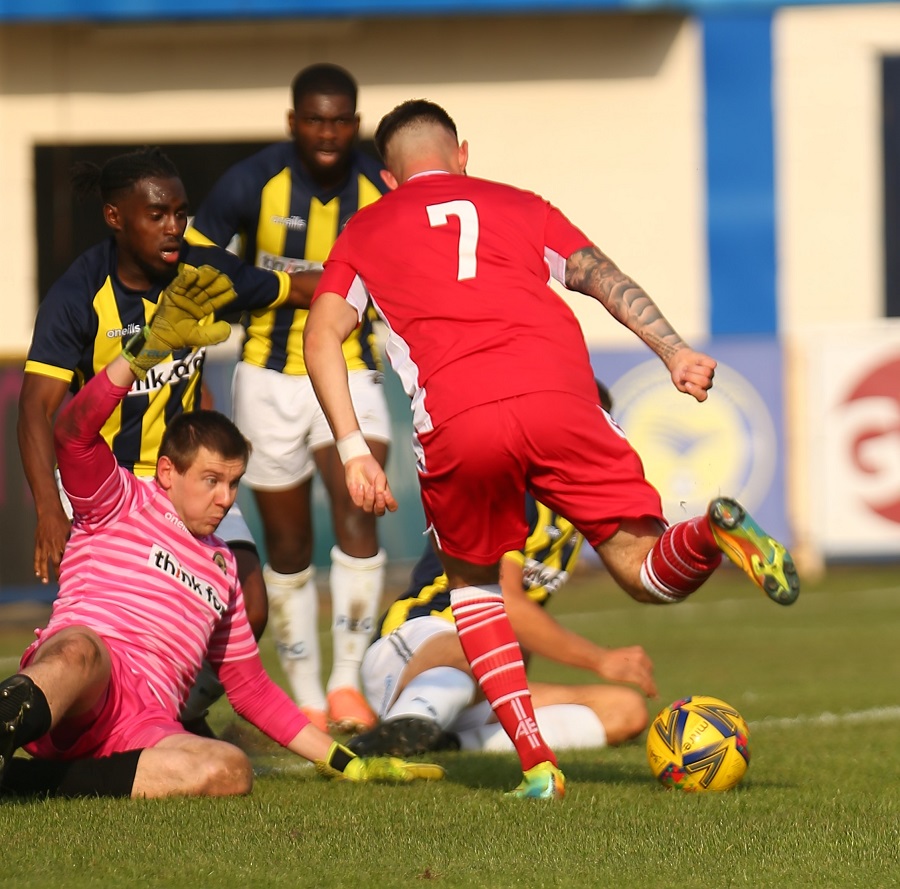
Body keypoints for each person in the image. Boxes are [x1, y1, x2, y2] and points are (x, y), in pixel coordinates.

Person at [302, 99, 800, 800]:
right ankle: (710, 532)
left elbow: (320, 336)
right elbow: (604, 277)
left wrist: (355, 450)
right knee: (642, 569)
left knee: (474, 590)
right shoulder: (520, 205)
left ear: (388, 177)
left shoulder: (366, 228)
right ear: (463, 155)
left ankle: (537, 765)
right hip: (565, 398)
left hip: (460, 418)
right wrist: (674, 351)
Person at [0, 271, 443, 799]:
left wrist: (343, 761)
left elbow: (251, 690)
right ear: (167, 473)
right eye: (211, 481)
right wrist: (144, 348)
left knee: (230, 769)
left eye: (233, 483)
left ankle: (30, 783)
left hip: (141, 727)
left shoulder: (225, 570)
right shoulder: (117, 500)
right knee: (77, 652)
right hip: (84, 682)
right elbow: (71, 432)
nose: (225, 498)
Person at [16, 147, 315, 733]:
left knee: (249, 606)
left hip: (183, 478)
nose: (174, 226)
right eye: (157, 214)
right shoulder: (78, 295)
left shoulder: (204, 273)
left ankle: (174, 716)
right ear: (115, 217)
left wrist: (376, 274)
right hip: (110, 486)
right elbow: (35, 409)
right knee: (112, 625)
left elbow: (299, 289)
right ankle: (74, 725)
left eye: (180, 212)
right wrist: (50, 509)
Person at [186, 63, 392, 735]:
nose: (327, 132)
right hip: (267, 377)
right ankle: (304, 692)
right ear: (293, 122)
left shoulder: (377, 188)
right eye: (315, 119)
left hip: (355, 370)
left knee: (361, 511)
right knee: (288, 542)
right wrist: (283, 286)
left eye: (339, 120)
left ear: (355, 125)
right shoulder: (252, 182)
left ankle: (347, 684)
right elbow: (193, 262)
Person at [349, 489, 654, 759]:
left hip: (485, 677)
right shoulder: (509, 490)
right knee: (490, 643)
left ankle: (445, 742)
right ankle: (395, 731)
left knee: (626, 711)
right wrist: (600, 659)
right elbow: (508, 606)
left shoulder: (578, 509)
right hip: (416, 645)